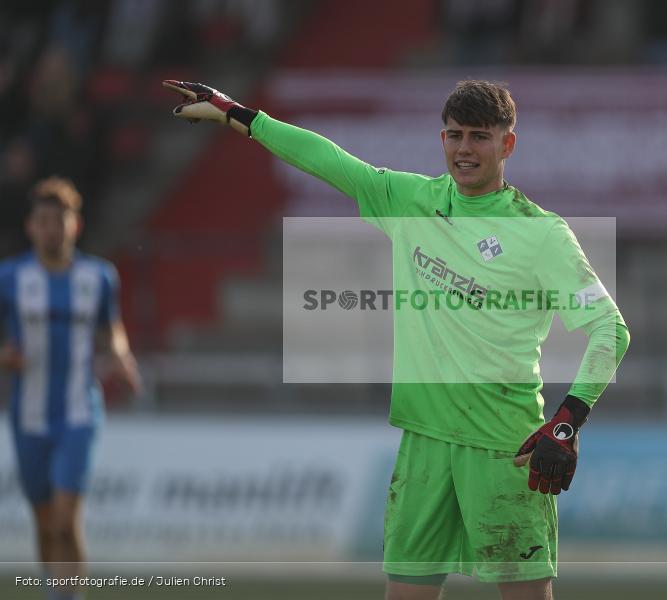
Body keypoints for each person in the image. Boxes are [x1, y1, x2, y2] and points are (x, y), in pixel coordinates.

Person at [164, 79, 630, 600]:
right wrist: (238, 115)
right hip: (423, 443)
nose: (465, 149)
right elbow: (330, 160)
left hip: (504, 449)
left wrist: (567, 421)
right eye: (455, 135)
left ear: (508, 145)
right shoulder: (411, 200)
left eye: (479, 136)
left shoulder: (543, 234)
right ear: (442, 139)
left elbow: (610, 329)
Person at [0, 176, 140, 600]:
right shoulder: (10, 278)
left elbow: (111, 327)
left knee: (65, 519)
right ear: (31, 227)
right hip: (28, 416)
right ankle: (56, 593)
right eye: (43, 221)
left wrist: (120, 353)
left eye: (59, 221)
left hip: (79, 413)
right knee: (44, 523)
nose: (51, 229)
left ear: (74, 226)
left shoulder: (98, 276)